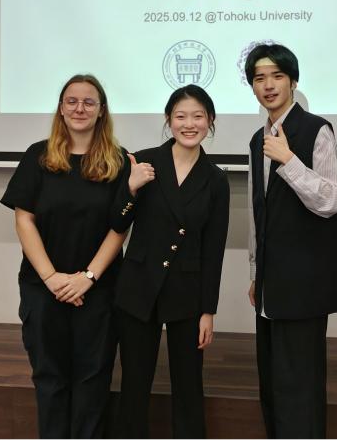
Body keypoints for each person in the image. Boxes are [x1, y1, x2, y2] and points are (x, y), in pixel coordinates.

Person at [0, 73, 139, 439]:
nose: (80, 108)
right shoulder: (38, 156)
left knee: (93, 379)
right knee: (50, 378)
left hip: (99, 289)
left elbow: (119, 228)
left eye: (89, 102)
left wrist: (86, 278)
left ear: (101, 110)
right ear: (61, 109)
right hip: (42, 287)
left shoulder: (119, 162)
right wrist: (52, 278)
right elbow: (24, 219)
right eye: (72, 101)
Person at [244, 43, 337, 438]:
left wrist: (289, 160)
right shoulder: (256, 139)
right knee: (272, 382)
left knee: (300, 382)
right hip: (271, 281)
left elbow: (331, 200)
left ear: (293, 81)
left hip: (305, 280)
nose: (268, 85)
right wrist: (255, 272)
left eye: (277, 76)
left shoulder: (317, 129)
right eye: (259, 78)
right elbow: (258, 212)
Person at [114, 85, 230, 438]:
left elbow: (214, 250)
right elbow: (115, 222)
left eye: (198, 116)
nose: (189, 124)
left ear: (210, 121)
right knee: (134, 383)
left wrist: (208, 310)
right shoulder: (143, 162)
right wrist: (130, 189)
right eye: (180, 116)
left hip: (187, 292)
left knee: (188, 384)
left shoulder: (216, 179)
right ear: (169, 120)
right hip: (139, 287)